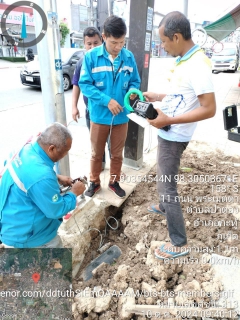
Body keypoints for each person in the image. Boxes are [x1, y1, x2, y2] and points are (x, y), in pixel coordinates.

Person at [143, 11, 216, 259]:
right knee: (164, 172)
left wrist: (169, 120)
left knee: (167, 187)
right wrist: (159, 96)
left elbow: (209, 108)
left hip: (175, 133)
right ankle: (164, 207)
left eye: (164, 41)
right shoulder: (186, 59)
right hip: (169, 129)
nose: (162, 47)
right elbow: (185, 95)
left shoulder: (197, 65)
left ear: (176, 37)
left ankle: (179, 242)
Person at [79, 15, 141, 198]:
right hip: (99, 117)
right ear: (104, 37)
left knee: (117, 154)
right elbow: (85, 85)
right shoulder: (91, 57)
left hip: (121, 117)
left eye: (122, 42)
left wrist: (131, 94)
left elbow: (135, 81)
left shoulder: (128, 57)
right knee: (96, 154)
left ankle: (114, 182)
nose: (118, 47)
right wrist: (107, 100)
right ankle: (94, 182)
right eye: (114, 42)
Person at [0, 123, 85, 248]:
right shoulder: (42, 176)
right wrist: (73, 193)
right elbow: (55, 210)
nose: (65, 155)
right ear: (51, 148)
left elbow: (28, 176)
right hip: (28, 239)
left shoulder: (24, 148)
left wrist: (56, 177)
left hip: (10, 223)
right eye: (65, 151)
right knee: (59, 264)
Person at [72, 27, 109, 170]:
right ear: (84, 44)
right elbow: (76, 85)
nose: (92, 47)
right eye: (89, 44)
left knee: (113, 143)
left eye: (96, 43)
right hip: (91, 112)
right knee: (96, 142)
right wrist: (74, 107)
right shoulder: (81, 62)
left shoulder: (107, 60)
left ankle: (115, 170)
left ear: (102, 41)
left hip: (109, 110)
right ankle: (100, 165)